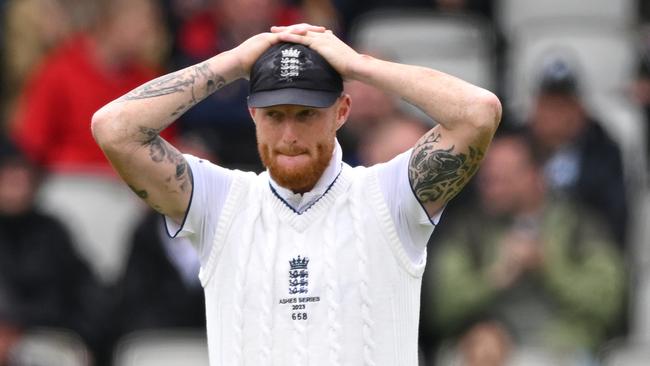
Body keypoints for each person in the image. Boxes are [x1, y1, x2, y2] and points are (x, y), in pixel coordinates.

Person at [91, 23, 501, 365]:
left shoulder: (389, 195)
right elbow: (114, 128)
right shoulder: (220, 201)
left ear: (342, 111)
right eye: (274, 116)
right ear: (253, 114)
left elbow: (478, 112)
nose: (288, 136)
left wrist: (359, 66)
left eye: (306, 114)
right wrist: (233, 63)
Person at [426, 133, 625, 365]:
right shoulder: (468, 229)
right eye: (488, 179)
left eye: (503, 179)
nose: (492, 188)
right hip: (486, 348)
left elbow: (608, 306)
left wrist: (548, 266)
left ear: (534, 175)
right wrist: (495, 278)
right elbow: (441, 308)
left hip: (562, 348)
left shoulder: (580, 226)